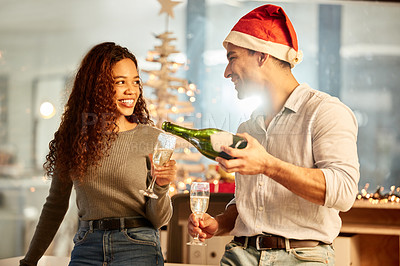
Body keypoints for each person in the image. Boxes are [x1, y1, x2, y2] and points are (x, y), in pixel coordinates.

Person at [188, 4, 359, 265]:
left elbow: (344, 192)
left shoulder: (325, 112)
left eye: (232, 57)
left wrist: (268, 165)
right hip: (239, 255)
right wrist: (219, 224)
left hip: (303, 257)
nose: (227, 72)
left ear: (261, 56)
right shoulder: (249, 126)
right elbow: (248, 202)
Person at [20, 42, 177, 266]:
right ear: (98, 87)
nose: (131, 90)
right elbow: (55, 206)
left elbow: (158, 219)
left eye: (135, 82)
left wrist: (161, 186)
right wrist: (30, 260)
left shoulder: (154, 139)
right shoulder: (74, 139)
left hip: (137, 246)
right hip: (87, 247)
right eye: (120, 82)